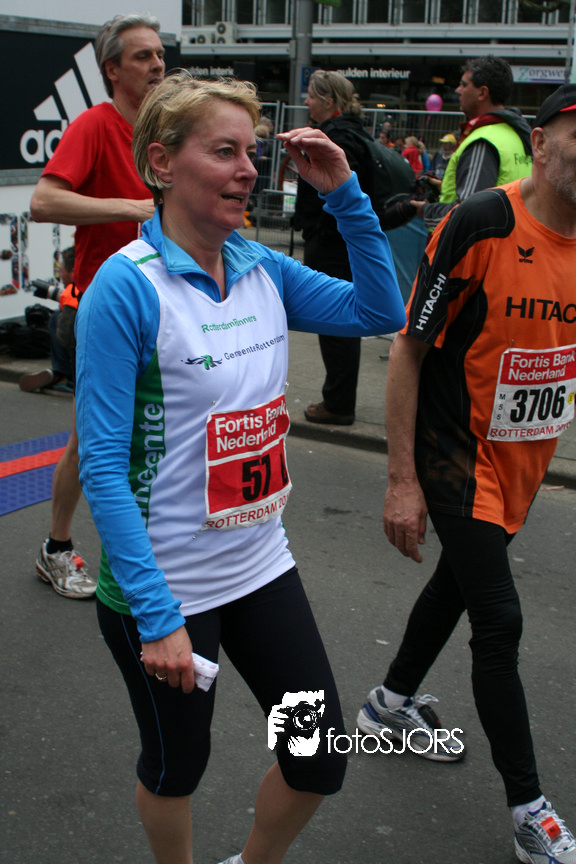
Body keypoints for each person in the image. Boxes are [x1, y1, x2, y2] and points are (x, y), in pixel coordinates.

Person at [74, 72, 405, 864]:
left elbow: (379, 311)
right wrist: (158, 617)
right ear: (162, 163)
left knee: (317, 758)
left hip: (260, 569)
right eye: (224, 152)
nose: (249, 170)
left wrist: (344, 193)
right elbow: (103, 466)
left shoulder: (261, 268)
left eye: (252, 153)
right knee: (178, 767)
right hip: (166, 591)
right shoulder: (127, 288)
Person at [357, 83, 576, 864]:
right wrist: (402, 481)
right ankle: (529, 810)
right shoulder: (481, 224)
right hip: (455, 453)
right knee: (499, 620)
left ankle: (389, 702)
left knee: (456, 585)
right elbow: (408, 349)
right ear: (541, 145)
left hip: (520, 463)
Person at [29, 13, 165, 599]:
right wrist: (132, 208)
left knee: (157, 434)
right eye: (142, 56)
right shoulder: (94, 124)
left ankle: (148, 553)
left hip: (162, 307)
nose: (157, 64)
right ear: (112, 69)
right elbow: (43, 202)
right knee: (92, 441)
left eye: (160, 54)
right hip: (102, 309)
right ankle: (56, 549)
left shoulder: (165, 128)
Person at [295, 69, 377, 426]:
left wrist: (320, 229)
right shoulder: (354, 132)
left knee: (335, 321)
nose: (307, 101)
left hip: (332, 244)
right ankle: (338, 398)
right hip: (336, 242)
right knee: (340, 321)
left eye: (312, 95)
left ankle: (338, 403)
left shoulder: (337, 137)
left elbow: (342, 190)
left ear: (329, 100)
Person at [401, 56, 533, 232]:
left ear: (482, 93)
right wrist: (444, 186)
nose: (457, 90)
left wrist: (426, 211)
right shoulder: (516, 133)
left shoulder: (482, 141)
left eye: (464, 85)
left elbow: (469, 214)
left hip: (480, 246)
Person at [18, 246, 77, 394]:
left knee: (56, 318)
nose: (60, 275)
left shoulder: (72, 293)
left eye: (61, 270)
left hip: (86, 357)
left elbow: (65, 338)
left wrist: (64, 307)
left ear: (73, 271)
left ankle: (66, 375)